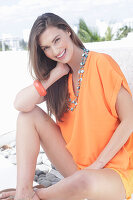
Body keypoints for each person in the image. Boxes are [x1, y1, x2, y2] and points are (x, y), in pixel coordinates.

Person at [0, 12, 133, 200]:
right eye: (46, 48)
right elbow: (20, 104)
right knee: (27, 116)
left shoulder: (100, 63)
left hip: (113, 172)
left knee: (84, 181)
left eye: (57, 40)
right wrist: (53, 76)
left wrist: (97, 165)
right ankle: (23, 192)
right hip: (75, 166)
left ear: (67, 31)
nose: (55, 51)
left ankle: (36, 196)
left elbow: (130, 119)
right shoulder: (60, 78)